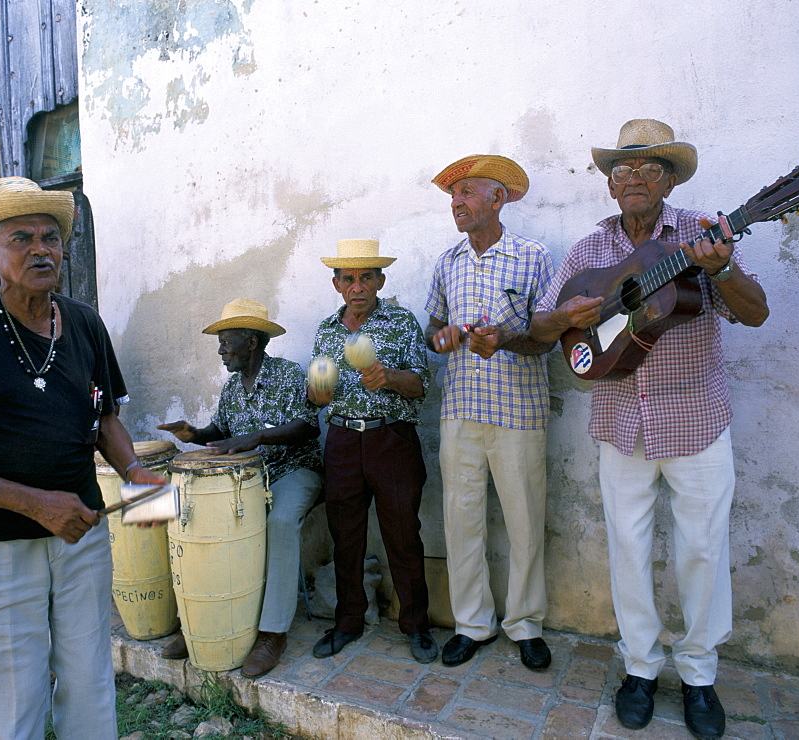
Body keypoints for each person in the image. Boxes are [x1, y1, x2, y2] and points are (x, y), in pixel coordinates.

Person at [530, 119, 769, 739]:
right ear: (610, 185)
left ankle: (698, 673)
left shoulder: (699, 234)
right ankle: (639, 666)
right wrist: (566, 316)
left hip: (695, 423)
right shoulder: (589, 251)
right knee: (629, 551)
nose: (633, 179)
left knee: (700, 551)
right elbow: (541, 330)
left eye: (648, 169)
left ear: (669, 179)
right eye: (621, 170)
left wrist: (720, 270)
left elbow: (756, 311)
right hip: (619, 424)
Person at [0, 176, 164, 740]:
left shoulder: (85, 323)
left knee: (90, 678)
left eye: (50, 236)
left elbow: (104, 417)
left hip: (82, 535)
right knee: (11, 697)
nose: (40, 248)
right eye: (20, 237)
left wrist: (133, 471)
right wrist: (34, 503)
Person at [424, 155, 555, 671]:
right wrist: (446, 337)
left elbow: (547, 339)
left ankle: (525, 624)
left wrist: (504, 340)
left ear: (497, 200)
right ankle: (471, 624)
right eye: (453, 197)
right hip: (459, 409)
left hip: (519, 411)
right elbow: (432, 333)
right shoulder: (447, 262)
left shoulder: (534, 257)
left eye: (467, 194)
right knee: (461, 521)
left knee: (525, 520)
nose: (456, 204)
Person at [157, 298, 324, 677]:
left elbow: (308, 426)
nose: (220, 350)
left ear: (251, 342)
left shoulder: (287, 374)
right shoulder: (233, 387)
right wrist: (195, 434)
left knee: (280, 522)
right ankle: (207, 623)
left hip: (294, 471)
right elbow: (222, 432)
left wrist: (258, 437)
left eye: (225, 341)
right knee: (210, 525)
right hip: (248, 481)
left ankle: (272, 634)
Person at [308, 238, 437, 664]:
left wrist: (388, 377)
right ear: (336, 284)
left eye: (366, 277)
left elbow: (420, 385)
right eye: (349, 279)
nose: (358, 286)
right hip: (343, 442)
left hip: (391, 439)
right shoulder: (326, 330)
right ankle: (348, 621)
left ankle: (416, 625)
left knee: (402, 535)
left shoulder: (400, 322)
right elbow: (318, 396)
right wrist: (319, 391)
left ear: (380, 281)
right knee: (345, 536)